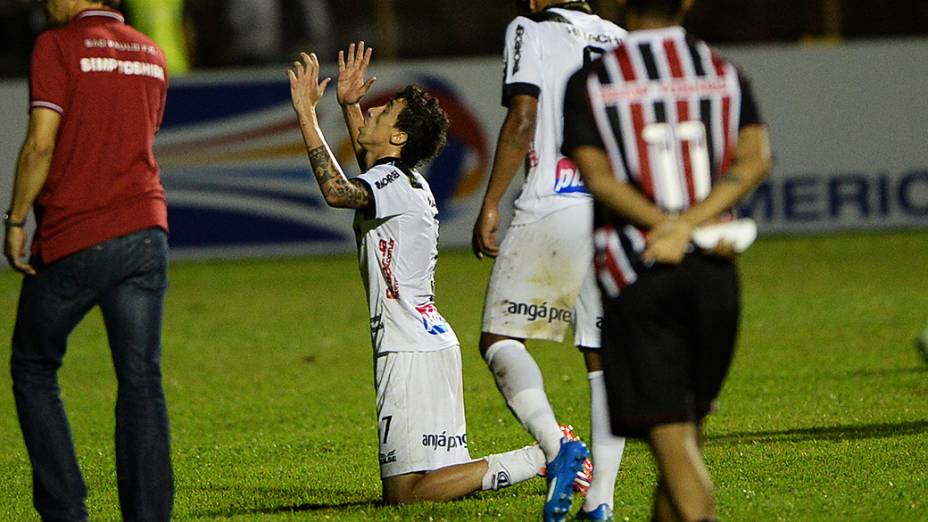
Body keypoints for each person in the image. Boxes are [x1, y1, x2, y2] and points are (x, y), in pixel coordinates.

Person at [288, 42, 550, 505]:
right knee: (437, 482)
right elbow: (370, 173)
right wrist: (348, 105)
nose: (374, 109)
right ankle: (545, 455)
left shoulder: (391, 183)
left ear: (400, 138)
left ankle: (547, 454)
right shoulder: (402, 181)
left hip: (407, 348)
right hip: (429, 342)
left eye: (385, 111)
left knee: (406, 496)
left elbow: (337, 190)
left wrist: (307, 116)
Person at [561, 0, 772, 520]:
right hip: (715, 270)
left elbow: (598, 175)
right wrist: (691, 221)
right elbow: (755, 159)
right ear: (686, 3)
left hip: (640, 271)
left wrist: (664, 225)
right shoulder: (723, 71)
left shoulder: (593, 80)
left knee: (671, 440)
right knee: (686, 434)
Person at [3, 0, 173, 520]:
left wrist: (15, 220)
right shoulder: (152, 53)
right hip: (146, 229)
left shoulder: (56, 46)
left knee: (33, 366)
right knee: (141, 378)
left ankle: (65, 509)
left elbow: (40, 145)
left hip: (78, 232)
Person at [471, 1, 627, 520]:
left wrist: (491, 200)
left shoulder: (529, 29)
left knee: (498, 338)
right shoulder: (623, 38)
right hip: (615, 209)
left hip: (556, 198)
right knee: (602, 361)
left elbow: (523, 115)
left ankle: (557, 450)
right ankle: (600, 501)